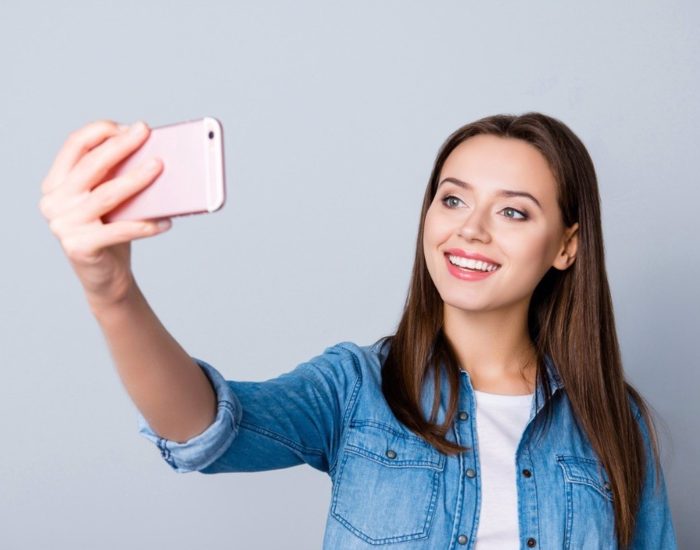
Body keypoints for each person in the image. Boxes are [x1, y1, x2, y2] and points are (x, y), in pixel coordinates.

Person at [38, 112, 678, 549]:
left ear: (567, 246)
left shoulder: (614, 421)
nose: (471, 230)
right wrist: (112, 292)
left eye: (513, 211)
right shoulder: (357, 387)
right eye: (453, 199)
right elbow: (206, 431)